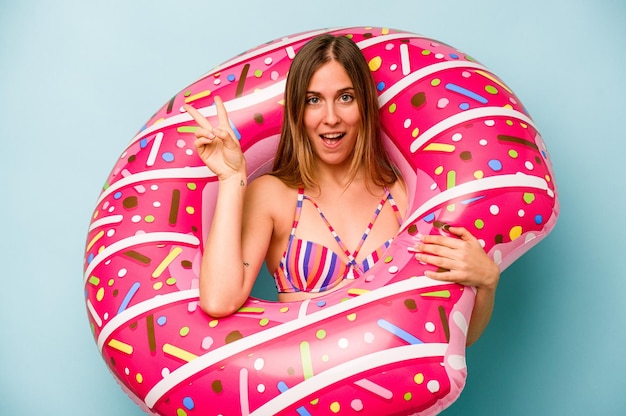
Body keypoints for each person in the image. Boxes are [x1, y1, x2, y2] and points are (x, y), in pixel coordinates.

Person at [184, 34, 500, 346]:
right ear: (297, 110)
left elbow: (449, 338)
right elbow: (218, 301)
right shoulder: (273, 195)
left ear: (364, 104)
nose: (331, 118)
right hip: (304, 387)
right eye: (314, 100)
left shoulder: (402, 197)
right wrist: (230, 178)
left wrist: (486, 284)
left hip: (393, 388)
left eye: (345, 97)